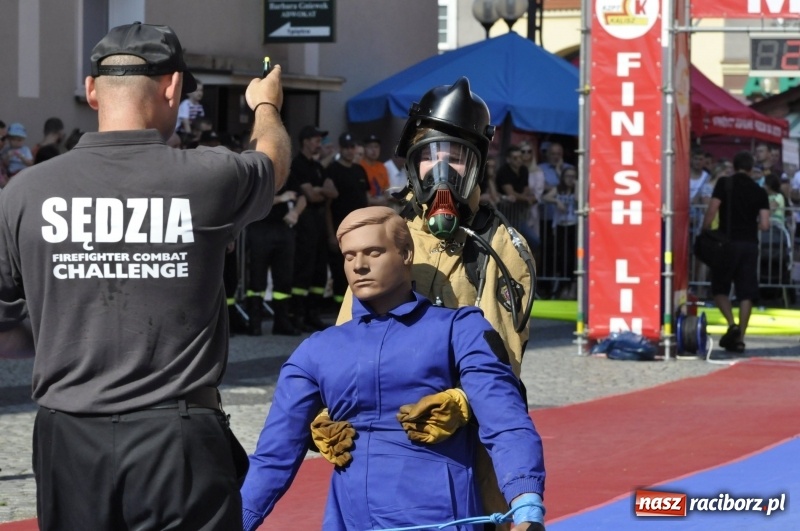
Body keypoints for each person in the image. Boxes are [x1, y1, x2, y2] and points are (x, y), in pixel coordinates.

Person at [0, 22, 291, 530]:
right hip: (175, 434)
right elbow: (273, 162)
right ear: (173, 86)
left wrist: (62, 326)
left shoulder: (24, 193)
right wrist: (265, 105)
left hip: (68, 435)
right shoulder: (210, 175)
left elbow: (5, 336)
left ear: (92, 90)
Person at [241, 206, 546, 531]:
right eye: (348, 256)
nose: (359, 265)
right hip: (351, 520)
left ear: (405, 253)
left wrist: (527, 503)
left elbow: (505, 420)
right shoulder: (317, 350)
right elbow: (272, 458)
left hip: (440, 518)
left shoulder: (460, 329)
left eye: (373, 252)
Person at [330, 77, 536, 524]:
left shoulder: (502, 249)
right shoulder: (387, 235)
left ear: (477, 166)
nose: (441, 173)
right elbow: (347, 338)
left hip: (467, 453)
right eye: (430, 157)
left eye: (456, 158)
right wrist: (328, 407)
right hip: (383, 446)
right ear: (412, 164)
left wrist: (463, 401)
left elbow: (502, 362)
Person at [701, 150, 770, 354]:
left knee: (720, 287)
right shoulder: (760, 191)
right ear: (751, 168)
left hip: (726, 242)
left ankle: (731, 324)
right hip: (749, 244)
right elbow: (765, 224)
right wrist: (750, 227)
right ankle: (740, 338)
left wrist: (705, 229)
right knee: (746, 292)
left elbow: (712, 209)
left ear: (734, 165)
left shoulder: (725, 184)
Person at [290, 125, 338, 331]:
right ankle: (297, 314)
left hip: (319, 224)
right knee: (304, 269)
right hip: (305, 224)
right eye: (317, 139)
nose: (320, 143)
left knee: (319, 270)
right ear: (306, 141)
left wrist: (320, 190)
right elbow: (311, 195)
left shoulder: (318, 167)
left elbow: (333, 192)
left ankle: (313, 313)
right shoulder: (298, 164)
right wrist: (320, 191)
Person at [325, 132, 370, 304]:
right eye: (347, 148)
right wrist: (330, 234)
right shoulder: (333, 170)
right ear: (341, 149)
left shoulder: (359, 170)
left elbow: (365, 199)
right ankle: (339, 309)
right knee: (340, 270)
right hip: (340, 229)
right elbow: (328, 206)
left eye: (353, 147)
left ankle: (356, 305)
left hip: (360, 230)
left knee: (359, 268)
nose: (350, 151)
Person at [543, 166, 578, 299]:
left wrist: (576, 185)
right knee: (561, 257)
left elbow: (579, 200)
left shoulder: (577, 190)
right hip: (560, 226)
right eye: (568, 176)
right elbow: (545, 197)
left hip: (573, 225)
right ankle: (562, 287)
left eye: (573, 177)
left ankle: (572, 287)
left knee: (572, 258)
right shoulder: (558, 190)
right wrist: (556, 201)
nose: (570, 179)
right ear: (563, 178)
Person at [360, 133, 390, 205]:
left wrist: (384, 198)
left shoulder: (382, 166)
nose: (374, 150)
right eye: (370, 147)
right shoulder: (359, 166)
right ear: (364, 149)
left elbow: (387, 189)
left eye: (376, 147)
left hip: (381, 206)